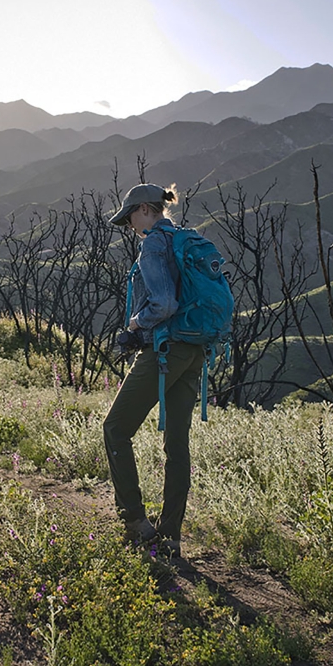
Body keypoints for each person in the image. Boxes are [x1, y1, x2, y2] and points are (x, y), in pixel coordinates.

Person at [104, 183, 205, 558]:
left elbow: (163, 302)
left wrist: (134, 326)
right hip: (195, 351)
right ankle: (171, 536)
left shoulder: (153, 244)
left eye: (130, 216)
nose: (130, 224)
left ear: (145, 209)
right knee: (176, 443)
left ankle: (134, 521)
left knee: (115, 428)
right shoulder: (184, 239)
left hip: (164, 350)